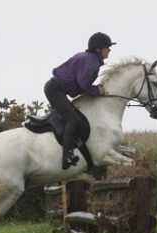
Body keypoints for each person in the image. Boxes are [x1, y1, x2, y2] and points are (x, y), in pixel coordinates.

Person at [44, 32, 116, 169]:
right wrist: (97, 91)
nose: (109, 49)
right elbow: (83, 85)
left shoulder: (90, 59)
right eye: (107, 46)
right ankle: (67, 156)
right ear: (98, 49)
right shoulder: (91, 61)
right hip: (55, 90)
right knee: (74, 120)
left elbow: (80, 85)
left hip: (57, 89)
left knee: (76, 117)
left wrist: (95, 89)